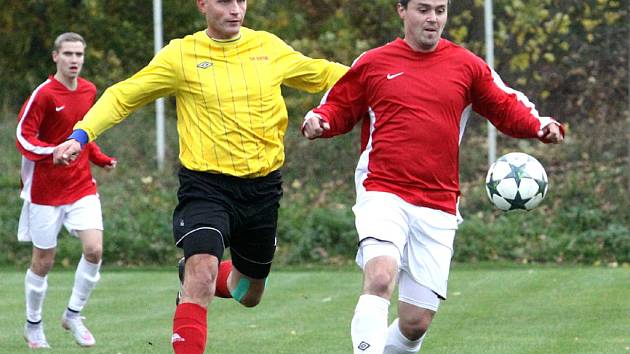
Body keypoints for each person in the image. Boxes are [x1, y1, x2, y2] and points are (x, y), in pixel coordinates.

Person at [52, 1, 347, 352]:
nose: (236, 9)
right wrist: (81, 134)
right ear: (203, 5)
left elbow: (330, 74)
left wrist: (385, 79)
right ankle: (195, 276)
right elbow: (123, 96)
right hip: (206, 187)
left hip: (262, 189)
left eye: (241, 0)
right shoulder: (181, 55)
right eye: (224, 1)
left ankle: (201, 272)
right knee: (201, 273)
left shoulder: (267, 47)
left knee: (248, 293)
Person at [302, 0, 565, 352]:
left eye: (440, 10)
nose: (433, 18)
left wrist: (539, 125)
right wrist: (322, 120)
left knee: (415, 324)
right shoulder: (374, 62)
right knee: (380, 276)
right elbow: (339, 105)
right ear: (402, 11)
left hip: (438, 202)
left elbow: (505, 103)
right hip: (383, 190)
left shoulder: (466, 65)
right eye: (423, 9)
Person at [16, 32, 117, 349]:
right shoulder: (44, 95)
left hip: (81, 186)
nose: (75, 60)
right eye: (69, 54)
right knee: (43, 261)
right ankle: (33, 325)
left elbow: (83, 134)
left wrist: (100, 159)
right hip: (45, 192)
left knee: (95, 250)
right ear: (55, 57)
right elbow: (23, 137)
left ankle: (73, 314)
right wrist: (53, 152)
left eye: (79, 54)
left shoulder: (88, 91)